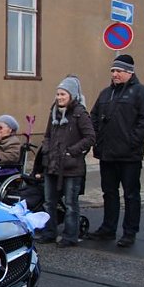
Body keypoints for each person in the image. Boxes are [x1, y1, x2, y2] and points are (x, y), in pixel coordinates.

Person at [87, 54, 144, 247]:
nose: (115, 74)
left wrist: (132, 141)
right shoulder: (105, 94)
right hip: (107, 154)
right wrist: (97, 139)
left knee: (131, 195)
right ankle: (108, 229)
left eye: (119, 71)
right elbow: (92, 117)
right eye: (113, 71)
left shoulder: (142, 93)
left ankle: (129, 232)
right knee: (108, 193)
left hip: (129, 156)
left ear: (129, 72)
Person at [32, 76, 96, 247]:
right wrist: (46, 149)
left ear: (72, 95)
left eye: (63, 94)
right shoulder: (53, 112)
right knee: (49, 202)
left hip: (71, 167)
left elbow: (90, 137)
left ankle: (70, 236)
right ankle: (50, 232)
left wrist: (71, 152)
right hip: (52, 164)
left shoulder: (79, 114)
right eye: (58, 94)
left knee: (70, 203)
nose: (59, 97)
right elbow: (47, 135)